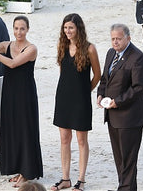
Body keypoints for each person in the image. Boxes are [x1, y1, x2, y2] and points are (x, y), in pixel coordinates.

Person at [0, 15, 43, 188]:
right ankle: (17, 169)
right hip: (10, 93)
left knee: (25, 130)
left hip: (25, 94)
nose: (18, 32)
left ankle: (27, 173)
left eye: (22, 28)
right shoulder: (7, 45)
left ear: (27, 29)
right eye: (16, 28)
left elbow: (13, 64)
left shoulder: (32, 49)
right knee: (13, 129)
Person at [96, 24, 143, 191]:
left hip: (130, 118)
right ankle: (126, 188)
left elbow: (139, 88)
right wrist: (100, 93)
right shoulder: (111, 53)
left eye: (119, 38)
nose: (115, 42)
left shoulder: (138, 58)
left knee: (128, 159)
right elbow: (105, 78)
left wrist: (117, 101)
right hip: (112, 116)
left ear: (128, 38)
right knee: (120, 158)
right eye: (113, 39)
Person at [51, 13, 101, 191]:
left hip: (81, 100)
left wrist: (85, 91)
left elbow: (97, 75)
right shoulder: (62, 46)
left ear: (78, 28)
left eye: (70, 27)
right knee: (64, 139)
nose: (67, 31)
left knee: (81, 140)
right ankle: (65, 178)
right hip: (63, 97)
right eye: (65, 28)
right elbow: (63, 72)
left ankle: (81, 180)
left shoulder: (89, 49)